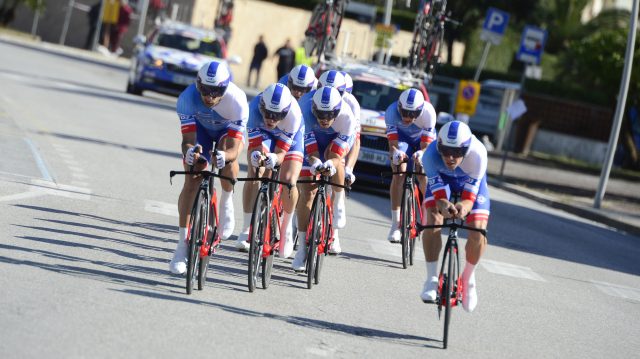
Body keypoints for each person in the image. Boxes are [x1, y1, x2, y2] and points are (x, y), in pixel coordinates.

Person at [169, 61, 248, 275]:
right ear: (198, 85)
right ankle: (181, 245)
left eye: (216, 92)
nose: (209, 97)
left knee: (226, 155)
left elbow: (233, 148)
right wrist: (190, 153)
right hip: (200, 132)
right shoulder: (187, 98)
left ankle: (226, 199)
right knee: (192, 177)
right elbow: (187, 140)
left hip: (225, 134)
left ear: (226, 87)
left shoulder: (237, 101)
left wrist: (224, 156)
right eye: (205, 90)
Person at [420, 120, 490, 313]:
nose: (450, 158)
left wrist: (463, 207)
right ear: (439, 146)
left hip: (470, 181)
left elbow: (469, 199)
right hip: (444, 181)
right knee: (433, 218)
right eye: (446, 151)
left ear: (466, 149)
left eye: (457, 153)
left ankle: (468, 279)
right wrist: (443, 203)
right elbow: (439, 197)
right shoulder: (431, 156)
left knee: (478, 228)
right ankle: (432, 279)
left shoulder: (478, 154)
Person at [235, 83, 304, 257]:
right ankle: (246, 227)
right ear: (261, 107)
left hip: (291, 139)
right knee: (254, 174)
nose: (271, 119)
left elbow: (281, 153)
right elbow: (256, 146)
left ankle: (286, 227)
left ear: (285, 112)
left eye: (277, 115)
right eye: (267, 114)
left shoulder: (293, 115)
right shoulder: (253, 109)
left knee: (289, 180)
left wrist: (274, 158)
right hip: (264, 136)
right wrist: (259, 158)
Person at [293, 86, 355, 270]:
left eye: (329, 115)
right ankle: (302, 248)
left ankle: (338, 203)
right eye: (320, 114)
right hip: (310, 140)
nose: (324, 119)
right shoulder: (304, 111)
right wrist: (314, 162)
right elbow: (310, 151)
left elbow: (337, 154)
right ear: (314, 109)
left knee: (336, 161)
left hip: (335, 140)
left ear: (337, 111)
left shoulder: (347, 117)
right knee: (307, 192)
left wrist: (330, 163)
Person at [385, 88, 436, 243]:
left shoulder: (429, 113)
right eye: (404, 112)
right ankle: (395, 225)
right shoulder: (391, 112)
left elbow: (426, 146)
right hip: (402, 141)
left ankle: (426, 216)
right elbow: (392, 145)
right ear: (399, 107)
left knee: (423, 173)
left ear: (420, 110)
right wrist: (396, 154)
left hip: (422, 142)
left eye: (412, 114)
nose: (407, 117)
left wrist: (421, 154)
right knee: (398, 173)